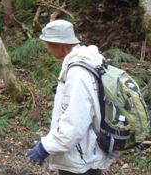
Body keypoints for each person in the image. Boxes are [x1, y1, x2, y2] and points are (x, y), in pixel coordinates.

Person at [27, 20, 115, 174]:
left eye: (48, 44)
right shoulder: (90, 61)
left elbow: (74, 123)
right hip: (89, 151)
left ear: (59, 44)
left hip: (80, 157)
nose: (47, 48)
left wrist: (46, 147)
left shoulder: (78, 73)